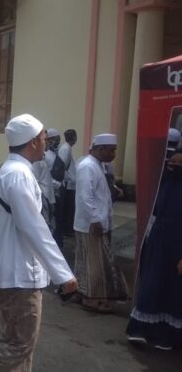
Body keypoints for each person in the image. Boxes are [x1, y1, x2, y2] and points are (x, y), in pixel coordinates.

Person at [0, 114, 78, 372]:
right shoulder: (19, 175)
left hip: (9, 272)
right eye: (45, 139)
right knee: (18, 345)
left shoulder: (7, 170)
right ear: (33, 142)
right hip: (18, 277)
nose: (47, 143)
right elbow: (35, 229)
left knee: (8, 340)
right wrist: (63, 274)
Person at [126, 148, 182, 350]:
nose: (173, 166)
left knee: (173, 292)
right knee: (152, 285)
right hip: (159, 240)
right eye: (172, 162)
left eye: (178, 163)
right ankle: (140, 330)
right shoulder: (165, 182)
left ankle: (167, 337)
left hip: (179, 246)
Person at [73, 133, 128, 313]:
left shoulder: (98, 166)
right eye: (110, 150)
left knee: (88, 262)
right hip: (91, 225)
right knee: (94, 265)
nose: (113, 154)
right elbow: (85, 196)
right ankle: (92, 299)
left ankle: (81, 292)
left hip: (97, 223)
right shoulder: (87, 166)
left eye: (114, 150)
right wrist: (96, 220)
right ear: (99, 149)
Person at [58, 129, 77, 236]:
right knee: (68, 208)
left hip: (70, 183)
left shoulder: (67, 148)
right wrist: (68, 179)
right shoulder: (65, 149)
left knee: (70, 207)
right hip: (68, 184)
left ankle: (67, 228)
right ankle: (67, 229)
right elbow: (62, 167)